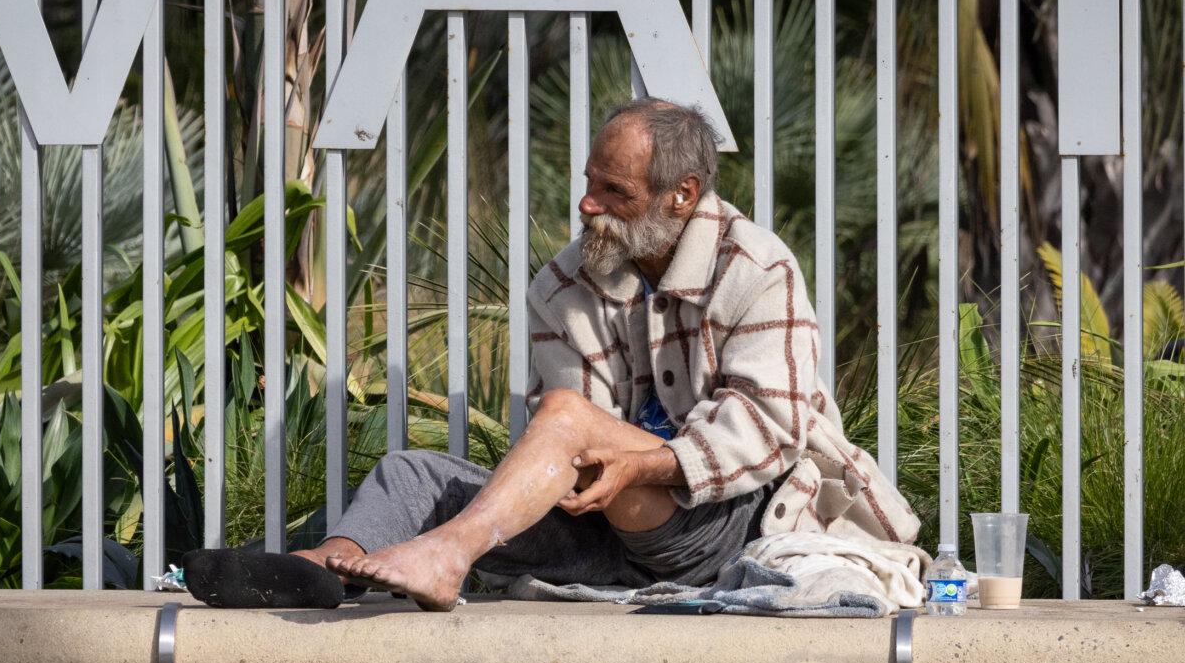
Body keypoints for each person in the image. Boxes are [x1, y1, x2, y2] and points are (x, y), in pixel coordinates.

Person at [194, 97, 917, 612]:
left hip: (730, 524)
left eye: (614, 192)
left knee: (568, 420)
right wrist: (610, 469)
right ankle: (323, 568)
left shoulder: (758, 269)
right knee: (411, 472)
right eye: (587, 182)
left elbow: (771, 425)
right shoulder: (563, 285)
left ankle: (448, 557)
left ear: (681, 196)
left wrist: (643, 464)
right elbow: (568, 446)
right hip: (608, 525)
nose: (587, 206)